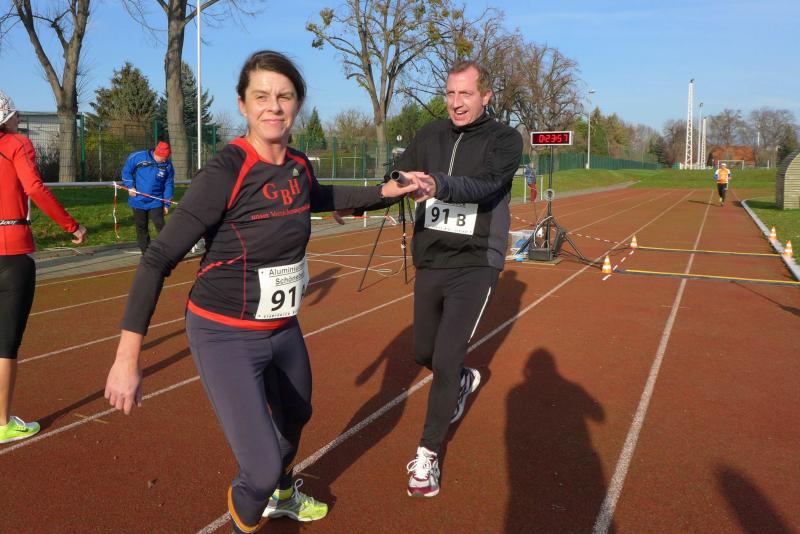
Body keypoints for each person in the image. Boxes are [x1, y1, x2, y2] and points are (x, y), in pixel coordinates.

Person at [103, 50, 417, 533]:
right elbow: (157, 257)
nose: (274, 106)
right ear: (243, 105)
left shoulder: (297, 165)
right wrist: (128, 357)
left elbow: (320, 195)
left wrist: (383, 192)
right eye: (262, 96)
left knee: (296, 416)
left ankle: (283, 496)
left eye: (284, 96)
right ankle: (253, 506)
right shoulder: (225, 171)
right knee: (262, 468)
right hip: (224, 332)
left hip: (281, 326)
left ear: (298, 104)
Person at [383, 60, 523, 497]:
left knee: (445, 357)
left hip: (476, 262)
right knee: (422, 351)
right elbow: (399, 175)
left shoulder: (505, 139)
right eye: (450, 93)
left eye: (466, 94)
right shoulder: (430, 135)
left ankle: (427, 456)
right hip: (432, 258)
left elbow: (485, 185)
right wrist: (381, 190)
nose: (456, 103)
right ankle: (462, 380)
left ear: (486, 96)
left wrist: (437, 185)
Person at [0, 90, 87, 444]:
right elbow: (34, 188)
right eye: (14, 114)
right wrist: (72, 226)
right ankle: (2, 422)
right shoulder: (17, 144)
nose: (19, 118)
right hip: (13, 250)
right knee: (6, 342)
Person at [121, 141, 175, 253]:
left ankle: (167, 252)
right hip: (138, 200)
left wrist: (166, 203)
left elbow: (168, 184)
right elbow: (126, 171)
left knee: (160, 226)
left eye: (166, 158)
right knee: (141, 227)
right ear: (156, 154)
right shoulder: (138, 157)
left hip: (156, 201)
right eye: (163, 158)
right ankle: (145, 253)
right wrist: (130, 186)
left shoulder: (167, 165)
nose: (164, 160)